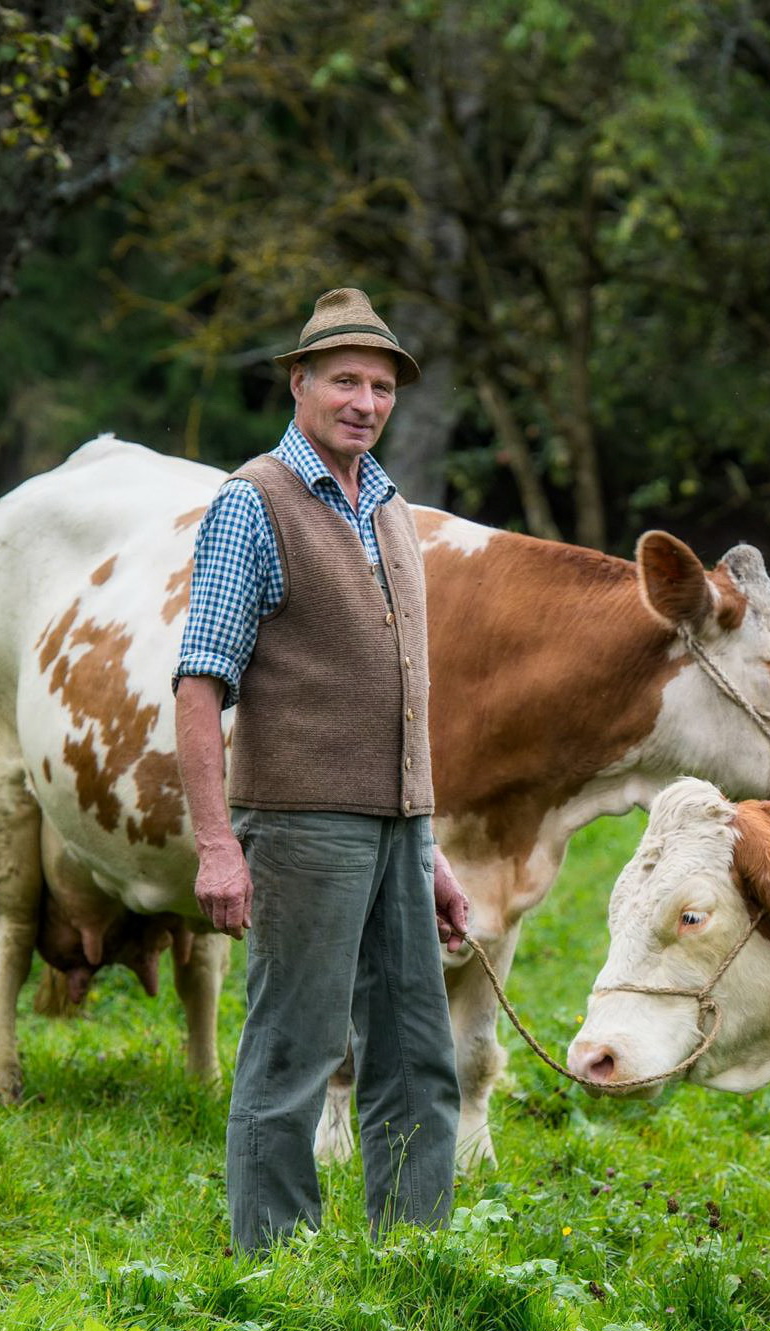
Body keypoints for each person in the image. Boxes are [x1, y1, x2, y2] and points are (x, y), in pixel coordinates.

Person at [173, 286, 471, 1255]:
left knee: (418, 1053)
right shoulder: (251, 502)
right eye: (345, 379)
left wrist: (427, 848)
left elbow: (398, 691)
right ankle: (273, 1260)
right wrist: (218, 845)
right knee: (294, 1050)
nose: (365, 400)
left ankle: (412, 1251)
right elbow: (198, 682)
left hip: (395, 825)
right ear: (299, 383)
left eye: (381, 385)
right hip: (300, 823)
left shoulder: (386, 505)